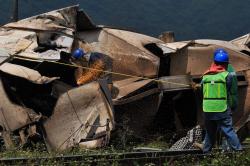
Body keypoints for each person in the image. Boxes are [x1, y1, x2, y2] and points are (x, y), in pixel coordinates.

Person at [193, 48, 242, 153]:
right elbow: (230, 90)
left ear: (214, 62)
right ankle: (238, 152)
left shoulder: (205, 76)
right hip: (221, 108)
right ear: (225, 64)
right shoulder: (227, 75)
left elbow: (202, 89)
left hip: (207, 109)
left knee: (210, 131)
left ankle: (206, 152)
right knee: (228, 130)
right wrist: (233, 104)